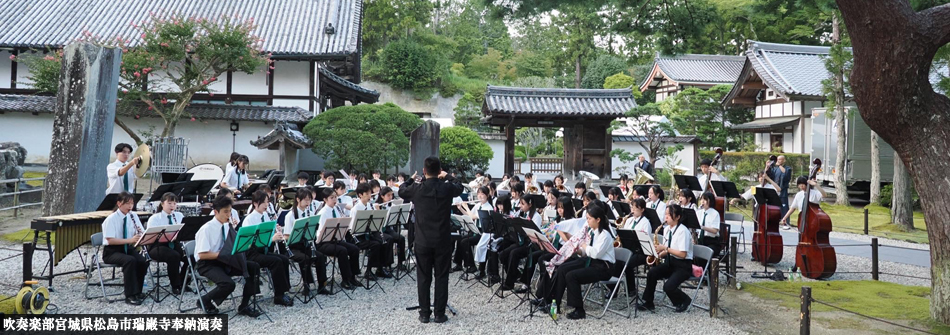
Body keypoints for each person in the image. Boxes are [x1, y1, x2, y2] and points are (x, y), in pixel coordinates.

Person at [398, 157, 463, 324]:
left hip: (422, 240)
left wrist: (412, 178)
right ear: (439, 170)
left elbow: (401, 190)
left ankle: (425, 313)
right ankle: (439, 314)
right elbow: (460, 187)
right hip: (442, 239)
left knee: (423, 277)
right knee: (442, 277)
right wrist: (447, 176)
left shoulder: (417, 189)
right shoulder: (447, 188)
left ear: (424, 171)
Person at [538, 205, 615, 319]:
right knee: (562, 268)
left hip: (603, 267)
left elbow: (595, 253)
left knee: (572, 276)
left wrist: (582, 243)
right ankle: (554, 303)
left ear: (598, 220)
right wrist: (577, 249)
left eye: (589, 219)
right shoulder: (592, 231)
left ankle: (579, 310)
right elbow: (585, 253)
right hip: (590, 260)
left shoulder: (605, 235)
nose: (587, 221)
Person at [194, 196, 263, 317]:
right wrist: (223, 254)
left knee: (253, 267)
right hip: (207, 263)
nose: (229, 214)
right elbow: (202, 254)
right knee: (228, 284)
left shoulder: (226, 225)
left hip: (224, 259)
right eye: (225, 212)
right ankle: (204, 300)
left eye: (230, 211)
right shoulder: (206, 229)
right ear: (215, 212)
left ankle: (244, 305)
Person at [241, 191, 294, 306]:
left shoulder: (265, 215)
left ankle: (284, 290)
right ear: (255, 203)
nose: (266, 205)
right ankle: (278, 296)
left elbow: (268, 233)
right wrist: (271, 239)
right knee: (276, 261)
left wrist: (276, 229)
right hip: (252, 253)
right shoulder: (249, 219)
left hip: (263, 250)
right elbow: (250, 242)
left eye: (267, 202)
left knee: (284, 259)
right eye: (264, 202)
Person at [638, 204, 694, 313]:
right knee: (652, 273)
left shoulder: (683, 231)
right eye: (666, 214)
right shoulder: (667, 229)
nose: (666, 217)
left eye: (669, 215)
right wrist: (657, 254)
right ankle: (649, 302)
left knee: (668, 287)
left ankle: (685, 300)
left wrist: (665, 248)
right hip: (671, 262)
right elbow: (666, 250)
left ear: (677, 217)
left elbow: (682, 254)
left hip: (683, 266)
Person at [280, 190, 331, 294]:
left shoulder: (311, 213)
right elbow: (286, 236)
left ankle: (322, 285)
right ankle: (306, 285)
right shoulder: (290, 215)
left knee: (320, 256)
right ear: (298, 199)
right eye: (306, 200)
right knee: (304, 258)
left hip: (305, 245)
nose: (308, 202)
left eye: (309, 200)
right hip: (293, 246)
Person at [101, 191, 148, 305]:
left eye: (132, 203)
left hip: (128, 248)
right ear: (119, 203)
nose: (130, 206)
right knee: (130, 261)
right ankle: (130, 295)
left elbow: (141, 232)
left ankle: (138, 291)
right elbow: (109, 240)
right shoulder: (111, 219)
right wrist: (130, 240)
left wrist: (141, 235)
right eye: (127, 203)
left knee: (142, 261)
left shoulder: (133, 216)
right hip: (112, 251)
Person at [315, 188, 363, 289]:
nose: (334, 200)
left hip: (336, 239)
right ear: (325, 199)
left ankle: (353, 276)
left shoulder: (336, 209)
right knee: (342, 251)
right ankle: (345, 279)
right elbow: (321, 233)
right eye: (331, 198)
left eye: (335, 197)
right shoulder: (322, 213)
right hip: (323, 242)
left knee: (354, 249)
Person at [145, 192, 187, 295]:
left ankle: (184, 281)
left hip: (174, 244)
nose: (172, 206)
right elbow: (151, 237)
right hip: (157, 246)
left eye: (174, 203)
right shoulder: (155, 218)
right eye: (169, 203)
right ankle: (175, 285)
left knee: (191, 256)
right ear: (162, 204)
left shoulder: (179, 215)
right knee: (174, 256)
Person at [352, 182, 393, 279]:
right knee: (376, 244)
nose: (370, 196)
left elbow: (378, 222)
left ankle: (381, 268)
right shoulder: (355, 209)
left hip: (370, 232)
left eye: (370, 193)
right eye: (367, 194)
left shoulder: (371, 206)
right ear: (360, 195)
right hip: (359, 236)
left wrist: (378, 212)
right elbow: (354, 228)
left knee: (385, 240)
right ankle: (368, 270)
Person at [375, 186, 408, 271]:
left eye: (391, 195)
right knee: (389, 239)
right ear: (382, 196)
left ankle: (401, 263)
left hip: (388, 228)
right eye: (388, 195)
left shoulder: (392, 205)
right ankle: (387, 264)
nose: (390, 197)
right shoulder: (376, 205)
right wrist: (378, 210)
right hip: (379, 230)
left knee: (401, 238)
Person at [697, 192, 722, 260]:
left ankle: (706, 269)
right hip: (700, 240)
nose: (702, 201)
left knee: (704, 254)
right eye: (701, 199)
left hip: (712, 241)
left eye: (705, 199)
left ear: (710, 201)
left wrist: (702, 227)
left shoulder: (715, 213)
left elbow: (715, 230)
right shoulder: (699, 212)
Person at [771, 156, 793, 225]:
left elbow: (786, 175)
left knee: (784, 206)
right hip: (775, 190)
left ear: (784, 160)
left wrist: (780, 165)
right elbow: (770, 176)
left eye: (780, 159)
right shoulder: (775, 169)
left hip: (783, 191)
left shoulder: (788, 168)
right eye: (778, 159)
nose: (779, 160)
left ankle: (785, 221)